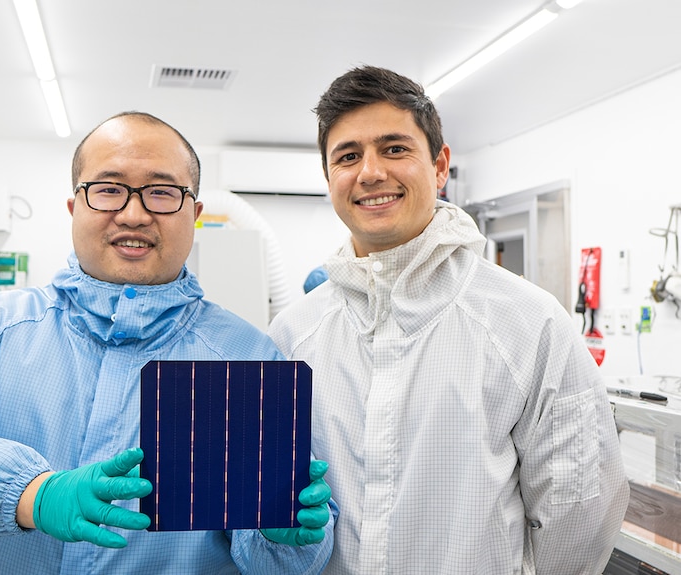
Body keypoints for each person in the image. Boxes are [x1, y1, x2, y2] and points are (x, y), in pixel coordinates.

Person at [0, 111, 335, 574]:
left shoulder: (244, 357)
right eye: (109, 189)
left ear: (193, 215)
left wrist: (282, 540)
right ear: (75, 207)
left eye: (161, 193)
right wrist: (34, 494)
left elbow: (285, 560)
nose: (134, 214)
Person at [268, 66, 629, 574]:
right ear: (329, 177)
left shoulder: (529, 323)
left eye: (395, 149)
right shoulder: (291, 335)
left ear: (439, 167)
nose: (370, 172)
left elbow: (581, 510)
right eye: (348, 156)